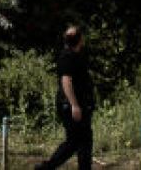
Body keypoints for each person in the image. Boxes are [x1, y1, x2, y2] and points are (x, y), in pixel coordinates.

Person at [34, 24, 95, 170]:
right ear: (80, 39)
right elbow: (66, 81)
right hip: (71, 106)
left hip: (80, 105)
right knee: (75, 142)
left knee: (84, 141)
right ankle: (46, 167)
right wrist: (74, 105)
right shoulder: (67, 56)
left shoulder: (78, 55)